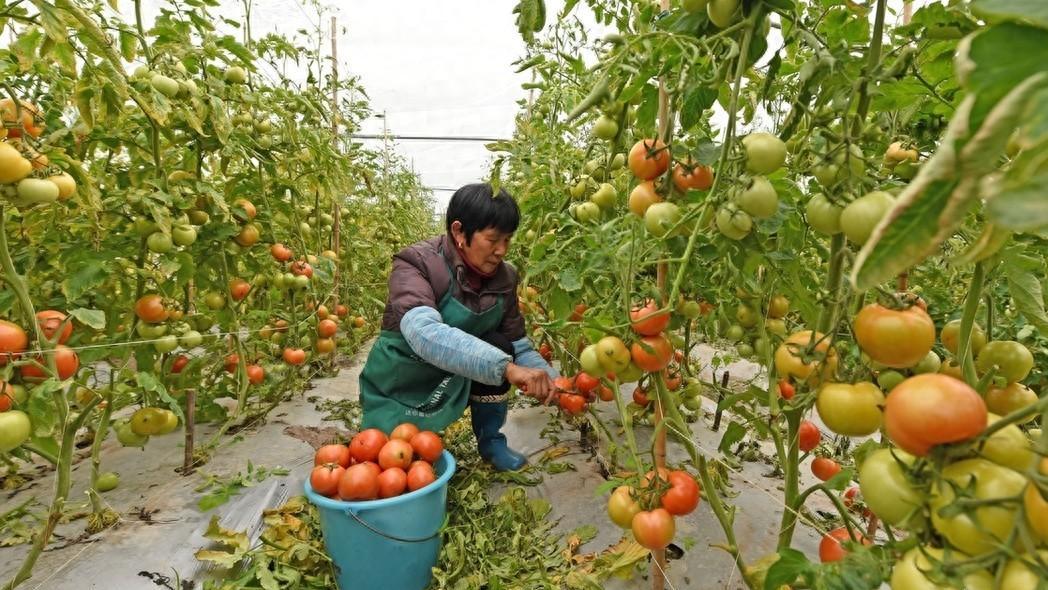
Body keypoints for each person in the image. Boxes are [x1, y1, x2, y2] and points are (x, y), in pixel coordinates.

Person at [359, 183, 558, 471]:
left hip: (458, 371)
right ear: (458, 232)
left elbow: (517, 345)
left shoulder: (505, 277)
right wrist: (507, 368)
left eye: (508, 239)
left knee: (500, 345)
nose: (502, 250)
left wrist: (554, 382)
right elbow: (424, 333)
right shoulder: (416, 263)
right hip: (404, 375)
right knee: (388, 461)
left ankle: (491, 441)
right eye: (493, 239)